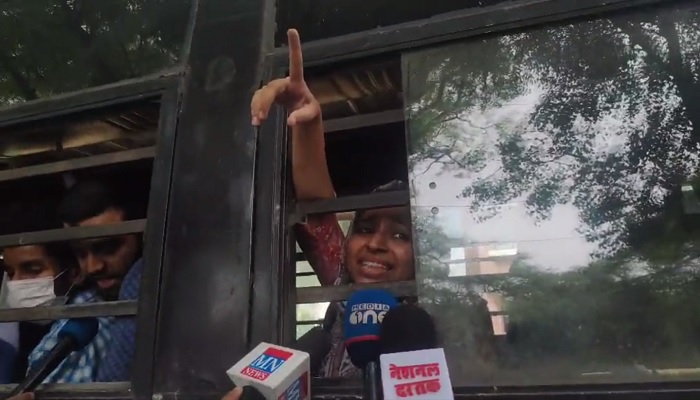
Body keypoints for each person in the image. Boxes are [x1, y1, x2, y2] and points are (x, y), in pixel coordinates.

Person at [251, 29, 415, 378]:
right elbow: (315, 207)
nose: (375, 244)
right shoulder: (345, 290)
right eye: (366, 228)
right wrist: (306, 121)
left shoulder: (444, 321)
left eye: (401, 235)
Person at [1, 204, 112, 384]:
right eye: (10, 272)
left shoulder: (83, 329)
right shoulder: (28, 329)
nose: (15, 283)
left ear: (74, 273)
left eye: (33, 269)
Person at [55, 179, 145, 382]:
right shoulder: (82, 312)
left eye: (108, 248)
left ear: (143, 236)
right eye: (80, 254)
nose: (92, 267)